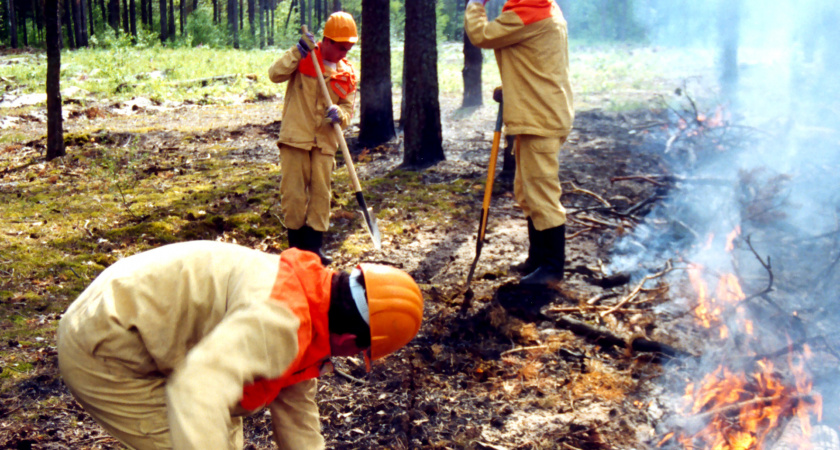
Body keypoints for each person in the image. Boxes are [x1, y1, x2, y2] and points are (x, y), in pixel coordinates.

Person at [57, 241, 424, 449]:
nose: (352, 357)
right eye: (360, 353)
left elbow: (298, 419)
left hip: (142, 326)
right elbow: (195, 391)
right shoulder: (281, 321)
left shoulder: (312, 303)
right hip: (105, 342)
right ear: (349, 339)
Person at [465, 0, 574, 286]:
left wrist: (475, 4)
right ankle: (538, 258)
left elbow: (481, 35)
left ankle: (552, 268)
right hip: (538, 112)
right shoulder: (545, 7)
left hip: (540, 117)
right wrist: (513, 87)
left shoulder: (527, 12)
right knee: (527, 191)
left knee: (542, 194)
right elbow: (535, 57)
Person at [268, 11, 359, 266]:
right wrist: (297, 50)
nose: (345, 53)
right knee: (294, 196)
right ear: (327, 40)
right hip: (295, 138)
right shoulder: (305, 57)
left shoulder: (347, 72)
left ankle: (314, 250)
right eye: (341, 47)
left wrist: (340, 114)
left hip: (325, 143)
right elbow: (274, 74)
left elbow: (348, 109)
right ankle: (295, 251)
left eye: (349, 48)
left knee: (321, 196)